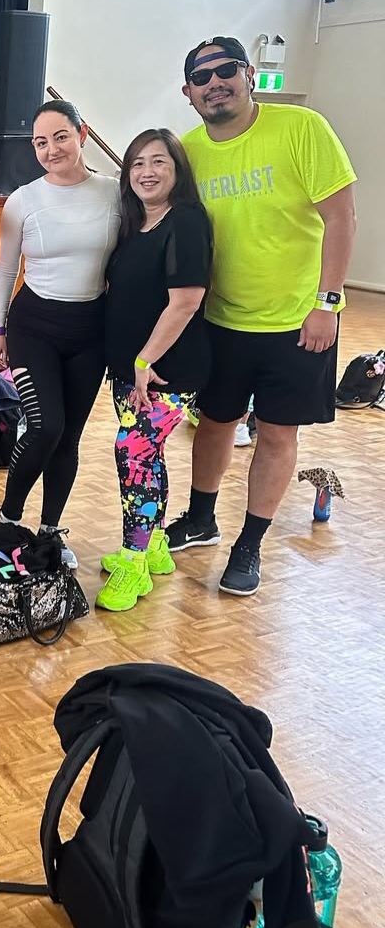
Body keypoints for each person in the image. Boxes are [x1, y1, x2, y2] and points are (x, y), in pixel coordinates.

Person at [166, 37, 357, 596]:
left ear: (249, 73)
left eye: (226, 69)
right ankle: (201, 518)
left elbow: (342, 217)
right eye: (201, 77)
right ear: (188, 92)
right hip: (220, 320)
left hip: (297, 321)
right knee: (214, 422)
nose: (215, 83)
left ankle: (249, 543)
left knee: (276, 433)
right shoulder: (189, 151)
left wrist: (327, 302)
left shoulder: (301, 127)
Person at [0, 100, 121, 568]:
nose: (51, 150)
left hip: (91, 331)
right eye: (40, 142)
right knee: (46, 426)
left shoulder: (114, 193)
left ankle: (49, 531)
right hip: (33, 327)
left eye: (60, 137)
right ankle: (7, 517)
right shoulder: (24, 199)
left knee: (69, 438)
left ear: (82, 134)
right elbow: (6, 269)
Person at [96, 128, 213, 612]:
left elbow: (185, 301)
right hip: (132, 370)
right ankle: (155, 544)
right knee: (149, 456)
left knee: (133, 452)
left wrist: (145, 360)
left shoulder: (185, 220)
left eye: (159, 161)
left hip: (167, 371)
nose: (147, 172)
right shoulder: (135, 223)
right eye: (138, 163)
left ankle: (133, 562)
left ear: (177, 170)